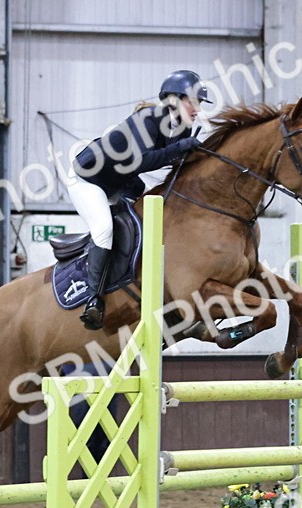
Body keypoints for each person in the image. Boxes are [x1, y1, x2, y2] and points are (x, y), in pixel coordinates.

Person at [69, 69, 210, 330]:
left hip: (121, 182)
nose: (198, 110)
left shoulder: (179, 129)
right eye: (195, 101)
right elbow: (141, 160)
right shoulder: (149, 118)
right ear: (175, 99)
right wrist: (179, 149)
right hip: (88, 180)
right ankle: (93, 300)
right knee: (104, 229)